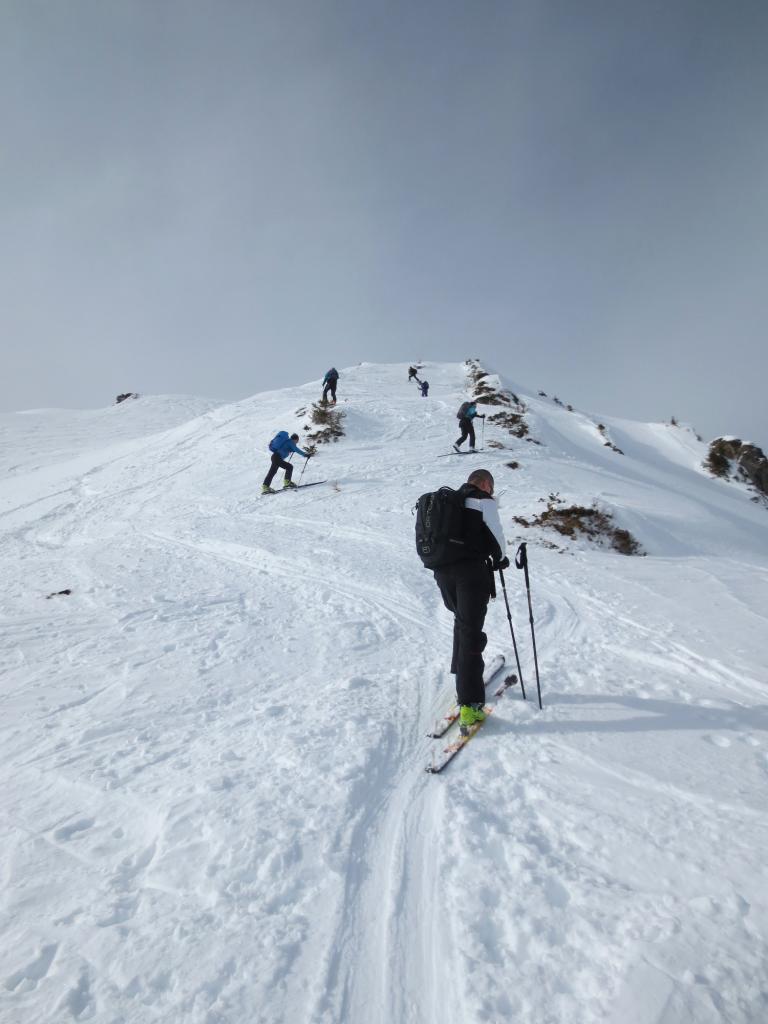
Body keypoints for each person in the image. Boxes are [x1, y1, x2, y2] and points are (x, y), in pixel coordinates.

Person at [433, 468, 509, 726]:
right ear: (485, 483)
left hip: (443, 573)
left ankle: (461, 672)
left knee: (463, 623)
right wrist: (501, 559)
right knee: (471, 634)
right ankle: (470, 703)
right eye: (492, 488)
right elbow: (498, 539)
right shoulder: (481, 500)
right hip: (470, 575)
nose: (492, 493)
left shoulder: (450, 502)